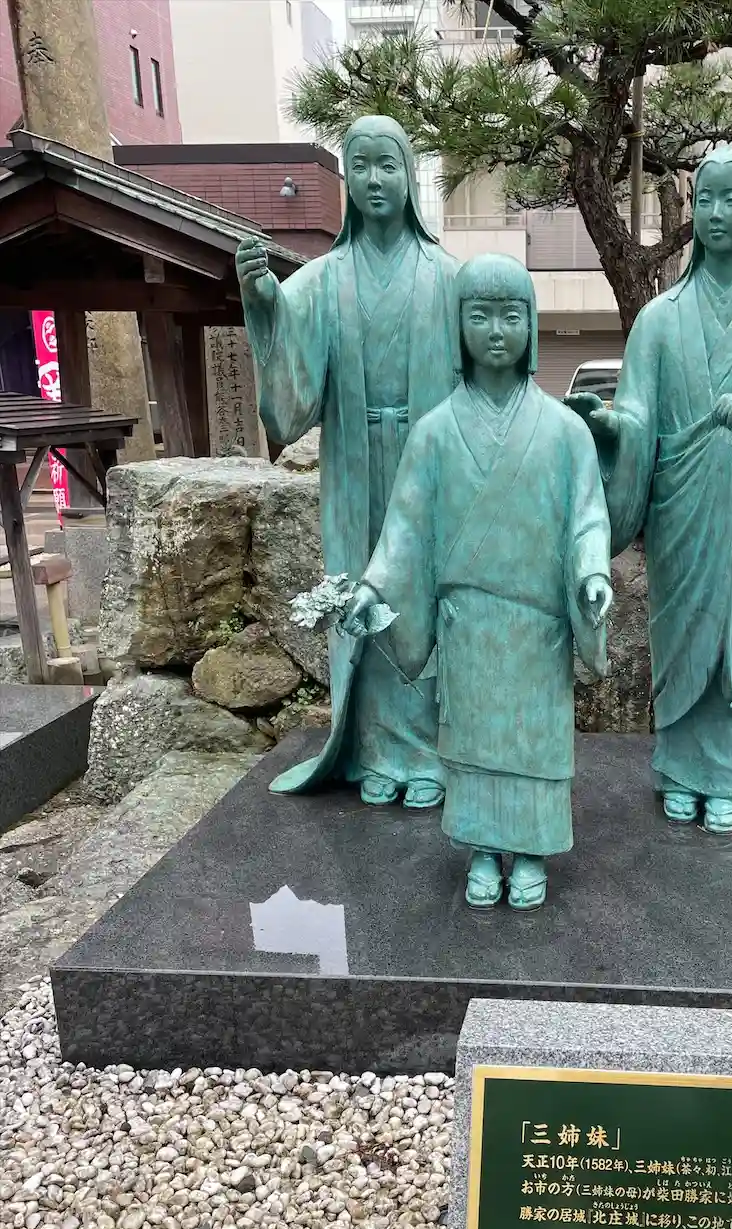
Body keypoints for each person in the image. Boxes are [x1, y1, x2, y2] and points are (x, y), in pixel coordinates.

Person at [567, 144, 732, 835]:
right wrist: (609, 427)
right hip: (679, 505)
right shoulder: (659, 320)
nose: (715, 212)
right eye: (704, 198)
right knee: (679, 630)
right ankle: (680, 769)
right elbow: (637, 413)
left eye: (731, 198)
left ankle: (727, 776)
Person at [342, 254, 613, 910]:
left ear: (532, 324)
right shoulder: (434, 434)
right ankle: (485, 850)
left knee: (532, 740)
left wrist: (592, 573)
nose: (496, 330)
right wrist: (373, 589)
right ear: (457, 326)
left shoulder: (565, 431)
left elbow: (587, 516)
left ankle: (531, 850)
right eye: (480, 315)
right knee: (472, 739)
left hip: (537, 624)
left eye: (511, 315)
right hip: (468, 623)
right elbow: (405, 528)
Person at [236, 116, 459, 808]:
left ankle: (430, 752)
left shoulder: (448, 277)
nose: (373, 179)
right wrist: (264, 304)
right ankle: (374, 749)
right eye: (358, 165)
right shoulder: (324, 279)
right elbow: (291, 392)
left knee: (421, 596)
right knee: (362, 592)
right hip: (354, 465)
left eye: (387, 164)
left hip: (430, 466)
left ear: (410, 176)